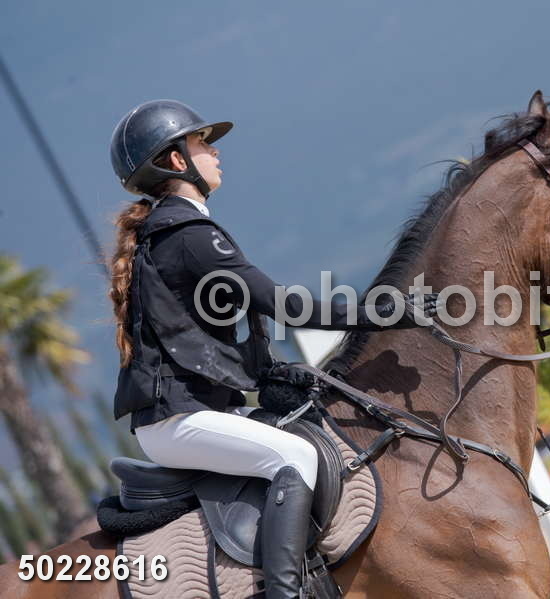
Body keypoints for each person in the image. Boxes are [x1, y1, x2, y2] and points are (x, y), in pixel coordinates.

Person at [108, 100, 439, 599]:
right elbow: (285, 305)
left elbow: (200, 341)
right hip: (179, 419)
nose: (215, 151)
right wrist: (385, 311)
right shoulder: (188, 235)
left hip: (192, 411)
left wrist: (271, 373)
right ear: (177, 161)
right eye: (202, 143)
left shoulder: (175, 232)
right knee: (295, 456)